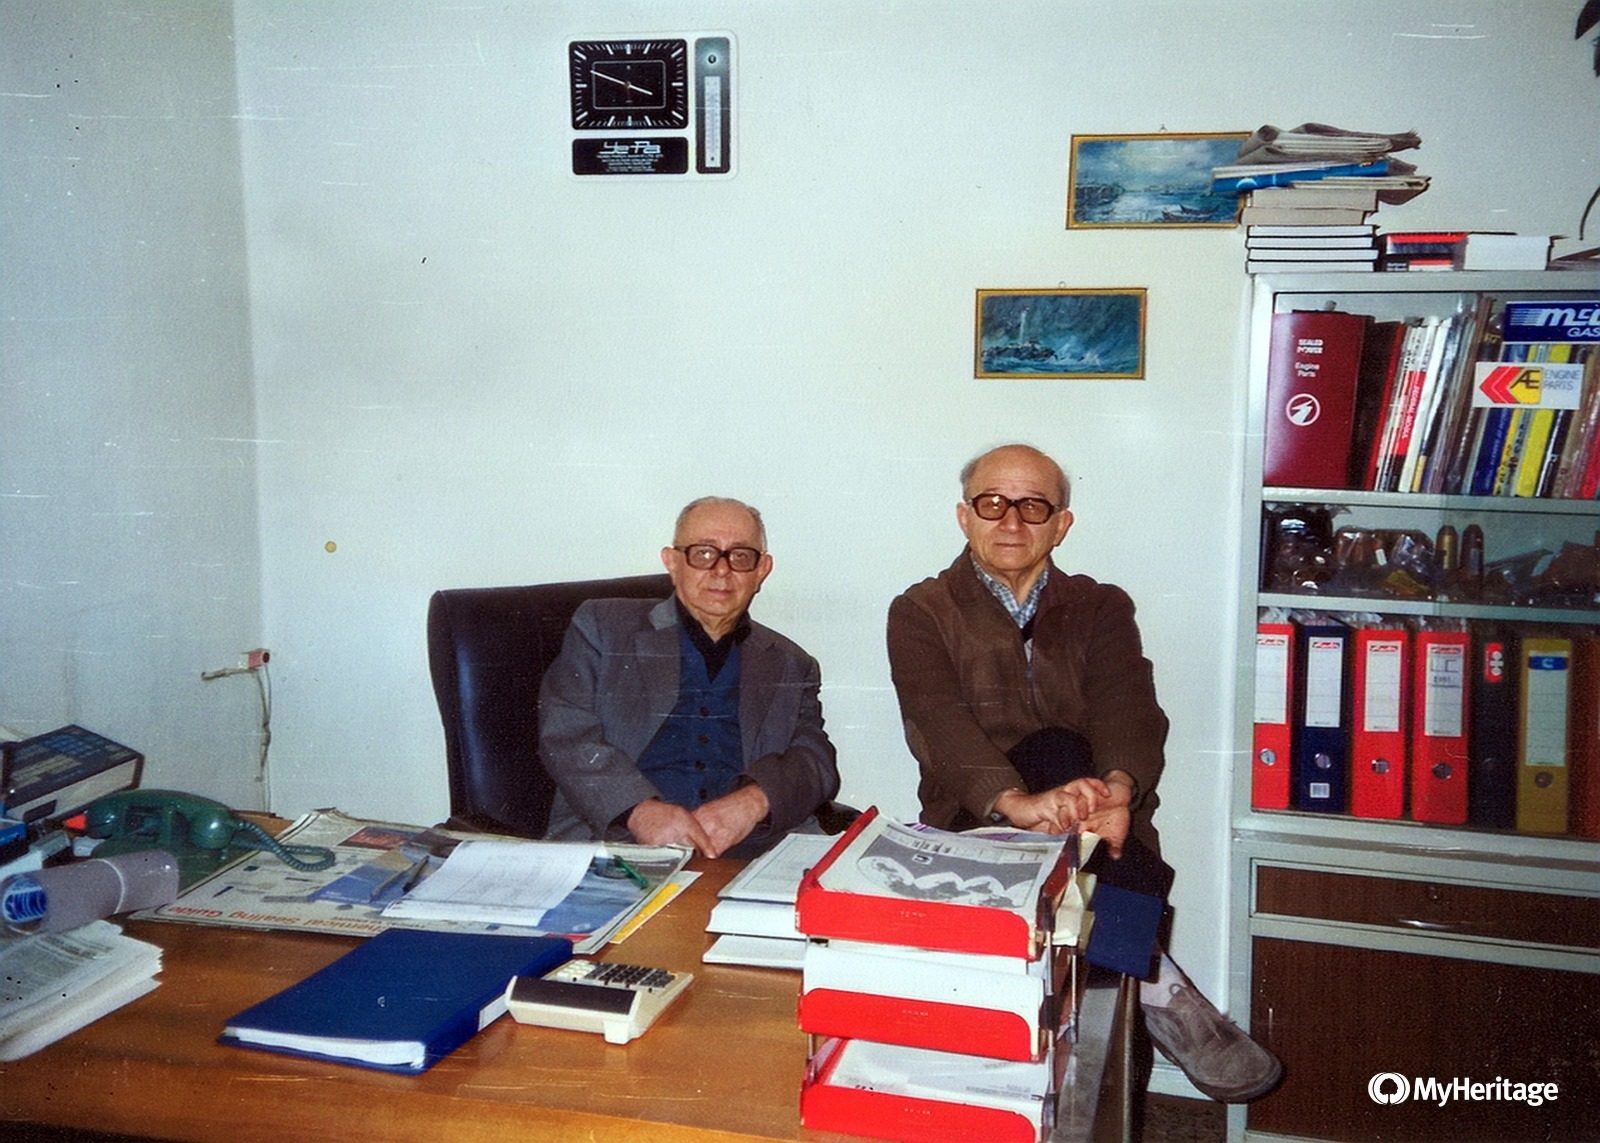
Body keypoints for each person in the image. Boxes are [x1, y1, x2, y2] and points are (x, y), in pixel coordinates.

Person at [886, 443, 1281, 1104]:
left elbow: (1129, 704)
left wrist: (1119, 789)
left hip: (1102, 828)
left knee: (1068, 756)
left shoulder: (1100, 606)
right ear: (964, 516)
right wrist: (1014, 800)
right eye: (993, 504)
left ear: (1061, 523)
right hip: (981, 825)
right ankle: (1157, 983)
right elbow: (939, 722)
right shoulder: (922, 610)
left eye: (1033, 505)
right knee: (1053, 752)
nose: (1012, 521)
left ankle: (1120, 1026)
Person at [539, 496, 840, 859]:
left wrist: (755, 801)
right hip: (617, 846)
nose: (722, 571)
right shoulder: (602, 626)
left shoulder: (792, 663)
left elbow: (815, 759)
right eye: (703, 553)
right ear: (672, 561)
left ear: (762, 570)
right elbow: (565, 734)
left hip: (750, 854)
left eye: (740, 556)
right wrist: (638, 811)